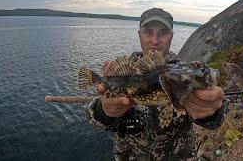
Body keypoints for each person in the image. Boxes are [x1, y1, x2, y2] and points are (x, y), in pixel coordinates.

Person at [86, 8, 226, 160]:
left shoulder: (184, 72)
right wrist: (104, 111)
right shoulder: (125, 74)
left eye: (163, 33)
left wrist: (210, 113)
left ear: (171, 36)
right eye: (148, 32)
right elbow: (92, 115)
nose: (155, 41)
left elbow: (215, 122)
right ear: (139, 35)